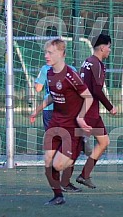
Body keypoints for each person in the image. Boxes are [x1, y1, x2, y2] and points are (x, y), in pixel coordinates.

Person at [30, 38, 93, 205]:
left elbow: (88, 96)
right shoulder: (50, 72)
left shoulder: (71, 75)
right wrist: (37, 110)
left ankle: (78, 146)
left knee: (57, 166)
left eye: (50, 52)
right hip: (54, 123)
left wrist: (80, 117)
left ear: (61, 54)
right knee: (47, 163)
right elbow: (52, 96)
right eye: (45, 52)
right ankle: (58, 196)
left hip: (70, 127)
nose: (46, 55)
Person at [75, 34, 117, 189]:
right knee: (75, 145)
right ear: (102, 47)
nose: (109, 50)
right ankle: (65, 179)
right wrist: (110, 107)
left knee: (103, 142)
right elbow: (97, 90)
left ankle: (84, 175)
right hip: (90, 111)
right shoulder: (97, 64)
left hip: (85, 109)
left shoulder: (86, 61)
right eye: (109, 47)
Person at [34, 64, 82, 193]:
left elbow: (38, 88)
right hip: (67, 112)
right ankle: (64, 183)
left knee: (56, 148)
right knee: (70, 148)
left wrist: (37, 82)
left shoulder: (45, 69)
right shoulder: (72, 69)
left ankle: (57, 184)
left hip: (51, 112)